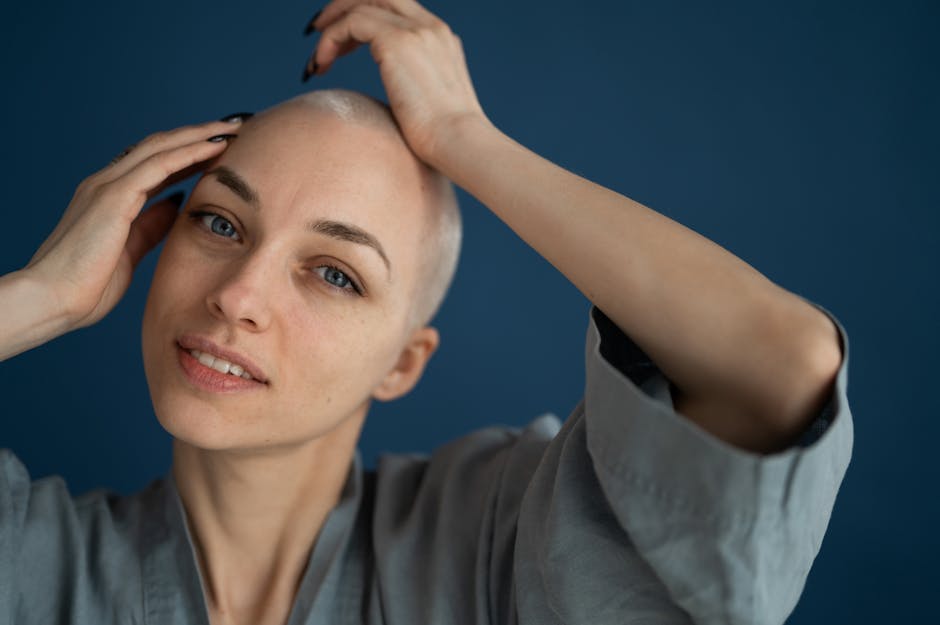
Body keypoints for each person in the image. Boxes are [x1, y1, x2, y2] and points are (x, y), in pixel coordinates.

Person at [0, 0, 853, 624]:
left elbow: (782, 366)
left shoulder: (500, 545)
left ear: (405, 361)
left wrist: (460, 135)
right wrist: (37, 298)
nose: (237, 295)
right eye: (219, 222)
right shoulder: (33, 560)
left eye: (334, 273)